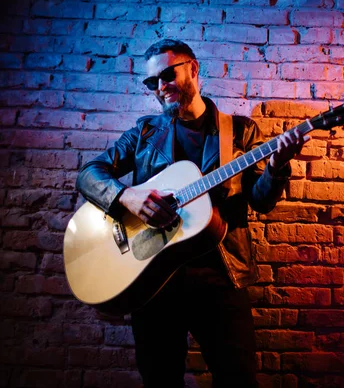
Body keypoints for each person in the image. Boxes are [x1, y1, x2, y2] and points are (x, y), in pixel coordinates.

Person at [75, 38, 308, 388]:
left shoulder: (240, 131)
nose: (159, 87)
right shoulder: (145, 132)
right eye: (151, 82)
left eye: (167, 75)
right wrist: (127, 196)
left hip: (221, 278)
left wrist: (276, 167)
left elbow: (261, 201)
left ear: (193, 69)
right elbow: (89, 174)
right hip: (153, 281)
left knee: (239, 381)